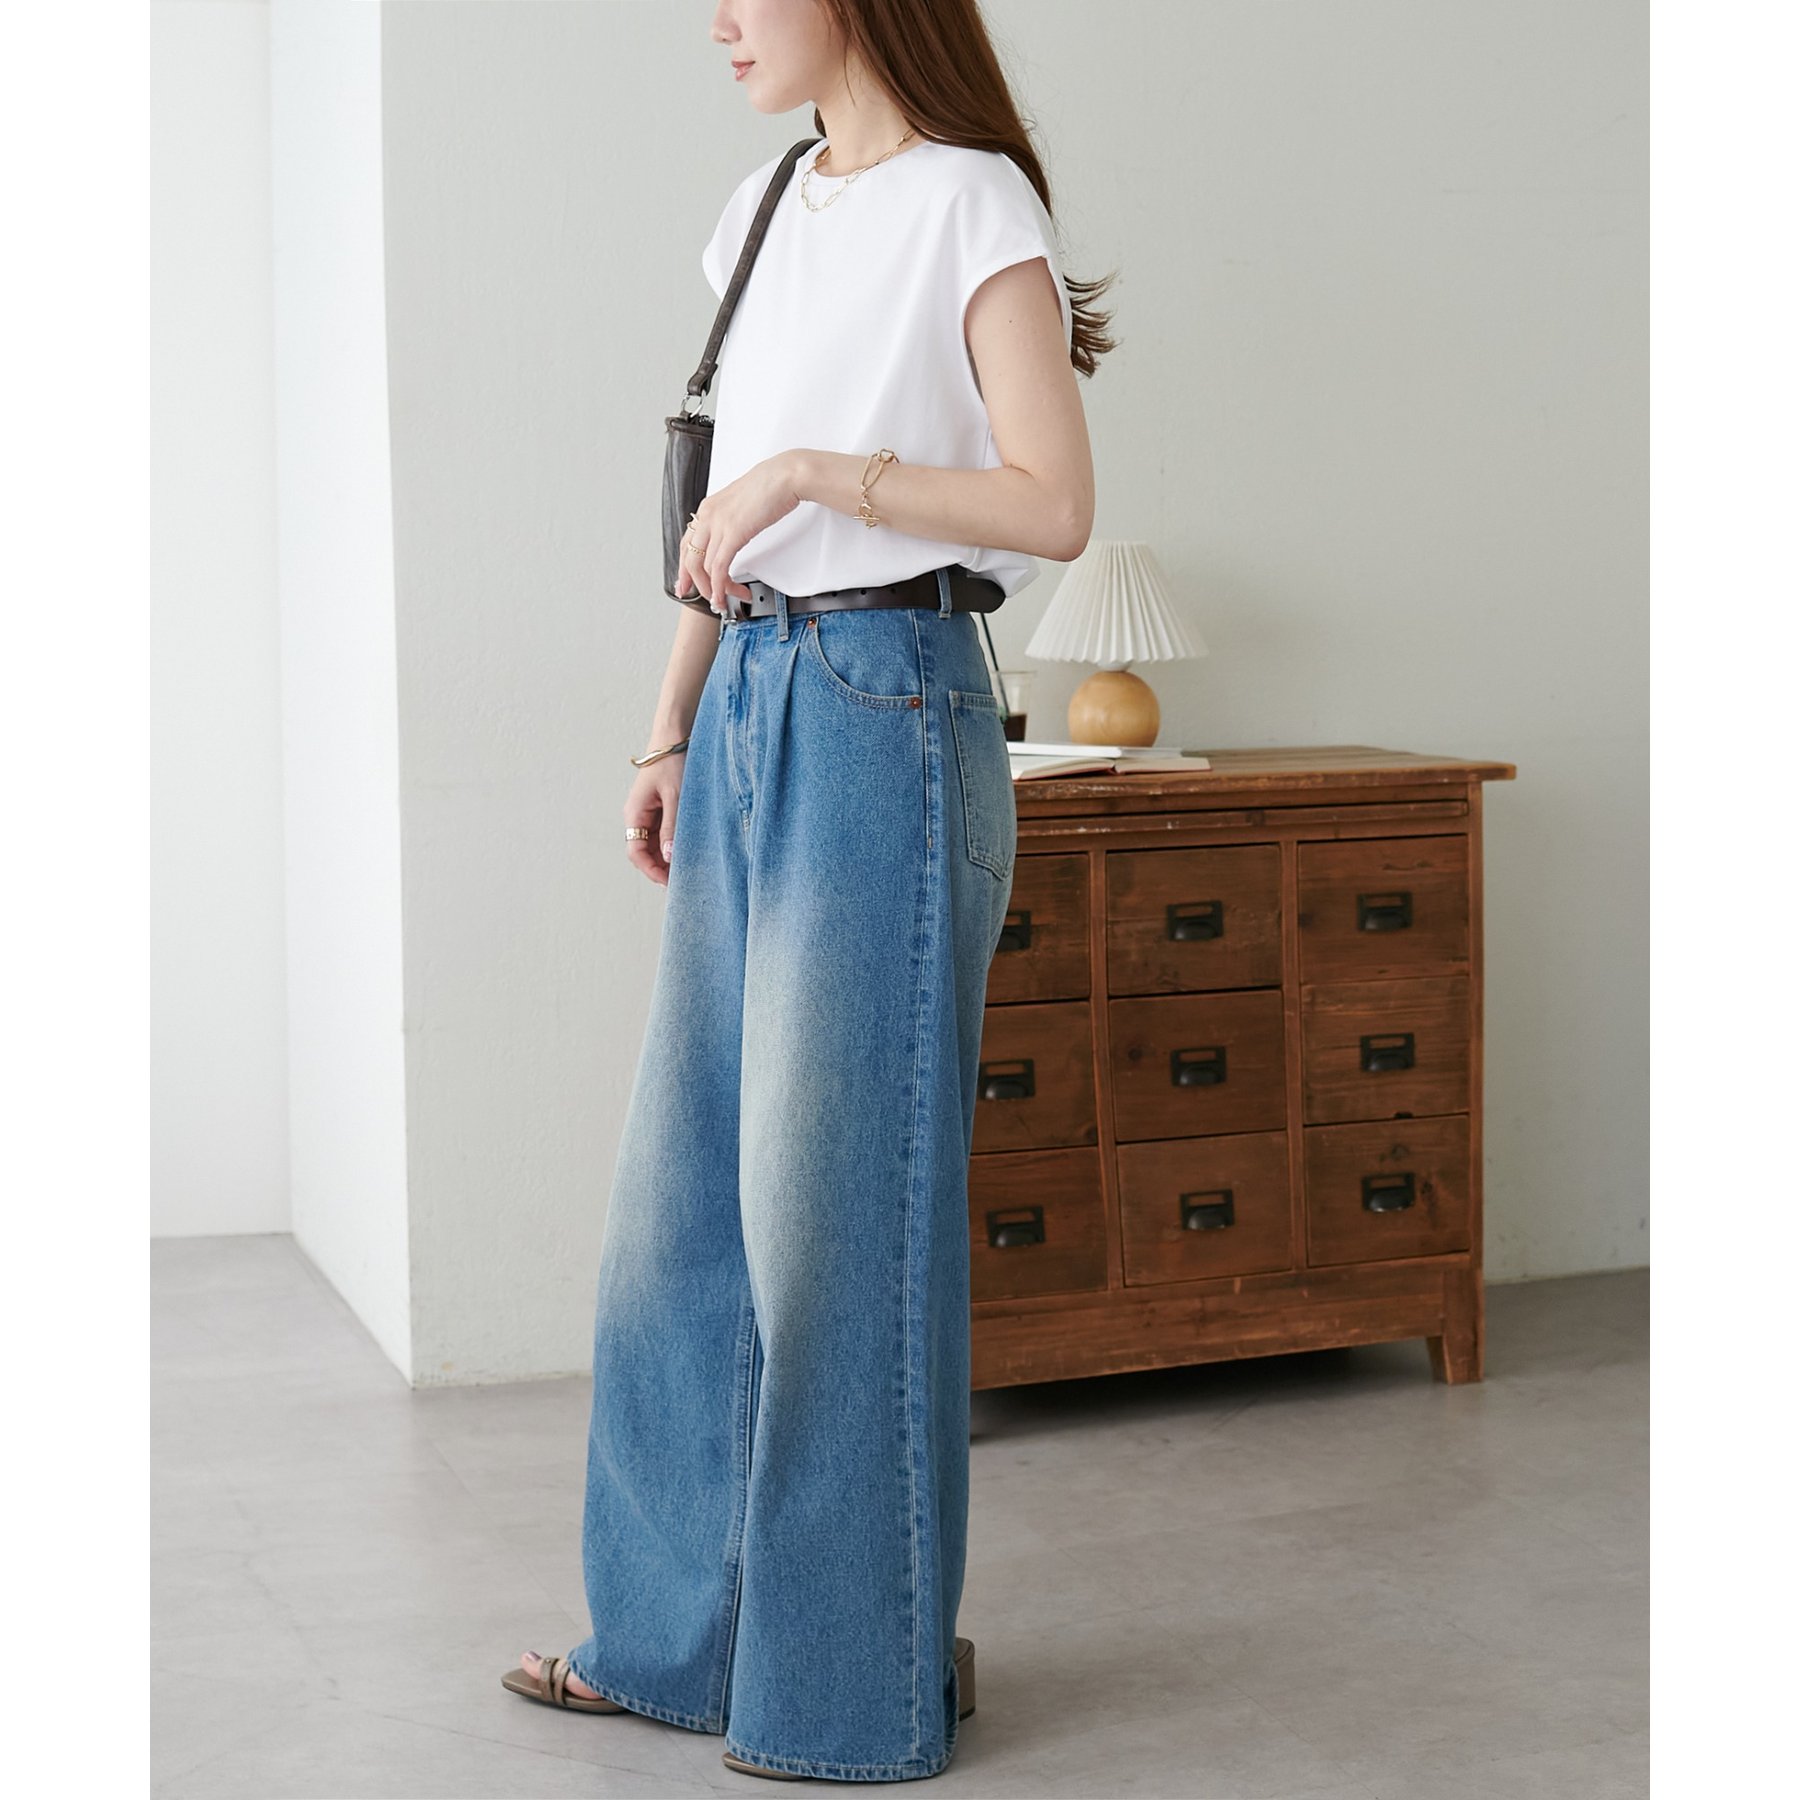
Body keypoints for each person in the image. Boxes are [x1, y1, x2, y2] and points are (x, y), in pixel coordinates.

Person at [503, 0, 1110, 1781]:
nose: (717, 18)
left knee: (837, 1224)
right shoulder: (764, 207)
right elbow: (724, 522)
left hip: (887, 709)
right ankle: (669, 1648)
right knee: (680, 1214)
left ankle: (849, 1690)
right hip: (753, 699)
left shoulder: (972, 200)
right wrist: (666, 726)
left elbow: (1055, 503)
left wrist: (813, 476)